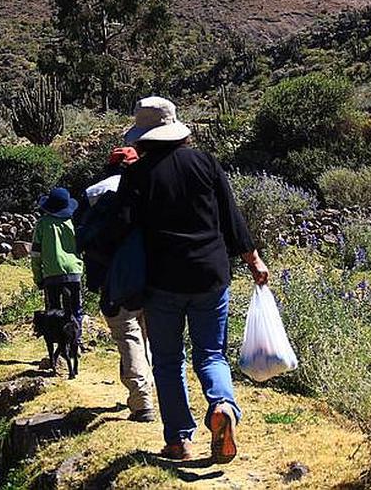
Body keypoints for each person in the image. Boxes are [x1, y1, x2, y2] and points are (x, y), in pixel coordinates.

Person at [119, 96, 270, 464]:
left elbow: (122, 229)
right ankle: (222, 406)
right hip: (210, 274)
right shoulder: (206, 162)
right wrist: (253, 259)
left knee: (168, 360)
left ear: (143, 137)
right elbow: (231, 216)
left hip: (162, 281)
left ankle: (179, 441)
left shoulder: (138, 175)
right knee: (211, 353)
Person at [76, 147, 156, 423]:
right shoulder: (151, 186)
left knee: (128, 334)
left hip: (113, 277)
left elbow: (80, 237)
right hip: (153, 274)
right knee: (147, 334)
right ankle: (147, 390)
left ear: (109, 166)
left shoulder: (93, 193)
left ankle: (142, 400)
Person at [31, 187, 84, 327]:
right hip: (74, 271)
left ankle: (58, 337)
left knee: (54, 311)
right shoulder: (73, 223)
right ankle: (76, 336)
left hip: (51, 272)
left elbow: (36, 254)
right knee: (76, 310)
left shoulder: (42, 224)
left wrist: (38, 278)